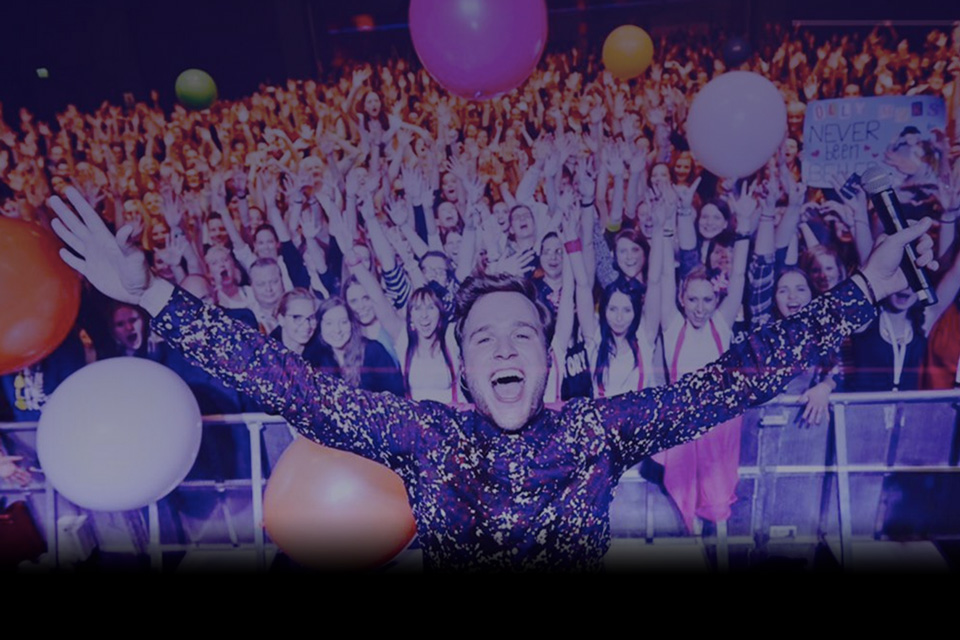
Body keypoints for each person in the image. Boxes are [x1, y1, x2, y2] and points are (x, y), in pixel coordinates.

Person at [49, 187, 935, 571]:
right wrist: (154, 294)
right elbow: (295, 390)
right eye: (484, 338)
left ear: (548, 359)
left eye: (522, 335)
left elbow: (734, 379)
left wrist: (861, 290)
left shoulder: (594, 430)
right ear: (465, 368)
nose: (505, 348)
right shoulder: (425, 434)